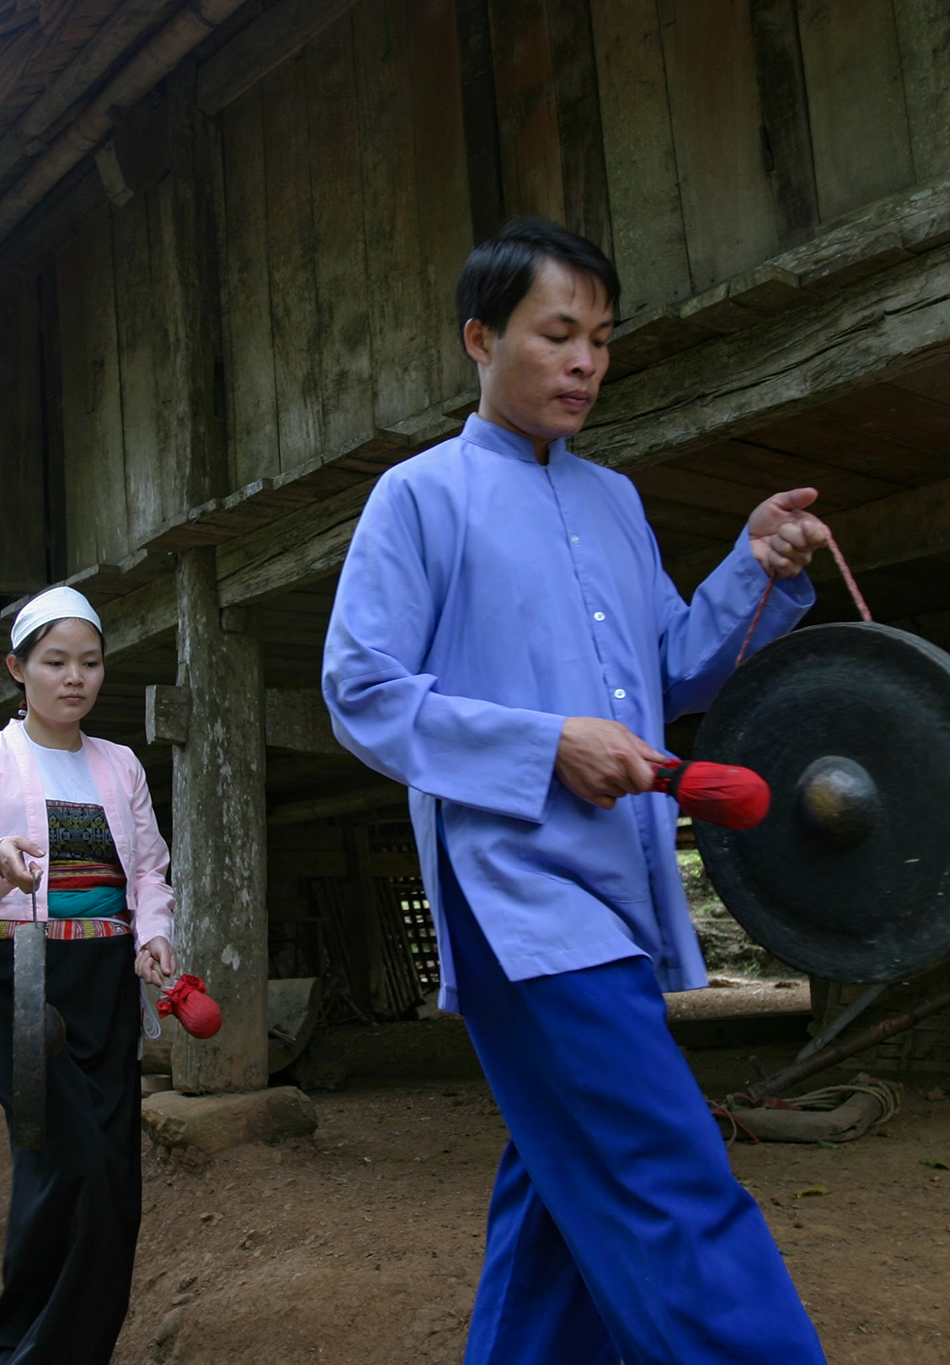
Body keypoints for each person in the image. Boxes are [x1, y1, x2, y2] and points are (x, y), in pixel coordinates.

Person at [322, 217, 831, 1365]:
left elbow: (670, 670)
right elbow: (358, 692)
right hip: (516, 895)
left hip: (616, 887)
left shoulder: (614, 500)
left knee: (559, 1185)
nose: (585, 362)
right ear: (479, 337)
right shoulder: (419, 497)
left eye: (601, 339)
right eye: (557, 334)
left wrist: (752, 567)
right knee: (665, 1171)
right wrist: (546, 745)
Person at [0, 585, 176, 1365]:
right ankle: (31, 1349)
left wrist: (155, 937)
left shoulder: (121, 763)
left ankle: (50, 1346)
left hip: (103, 974)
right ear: (18, 668)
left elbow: (148, 872)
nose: (75, 677)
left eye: (91, 662)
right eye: (55, 661)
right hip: (20, 976)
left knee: (111, 1179)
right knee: (71, 1161)